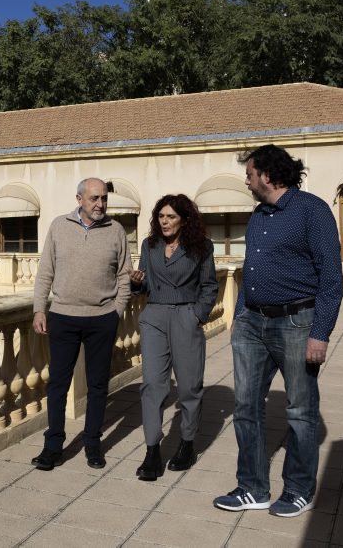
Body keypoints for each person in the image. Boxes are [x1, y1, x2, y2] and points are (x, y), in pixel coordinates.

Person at [213, 144, 343, 518]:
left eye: (250, 173)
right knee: (245, 407)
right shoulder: (258, 215)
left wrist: (321, 333)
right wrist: (240, 313)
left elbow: (332, 279)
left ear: (268, 175)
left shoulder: (312, 211)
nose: (247, 180)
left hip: (296, 323)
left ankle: (300, 488)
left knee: (301, 410)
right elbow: (251, 267)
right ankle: (252, 488)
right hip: (252, 323)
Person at [31, 177, 133, 471]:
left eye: (103, 198)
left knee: (98, 386)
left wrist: (117, 310)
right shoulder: (59, 226)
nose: (100, 204)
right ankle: (53, 446)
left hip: (102, 318)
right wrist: (40, 309)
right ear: (79, 200)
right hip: (63, 317)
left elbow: (124, 275)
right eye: (94, 199)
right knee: (58, 385)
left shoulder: (115, 231)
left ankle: (92, 443)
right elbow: (45, 272)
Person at [129, 194, 218, 480]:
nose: (164, 222)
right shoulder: (149, 245)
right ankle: (152, 451)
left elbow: (209, 286)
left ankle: (187, 444)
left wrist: (197, 316)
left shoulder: (202, 247)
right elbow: (142, 289)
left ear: (184, 220)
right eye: (161, 216)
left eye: (171, 217)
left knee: (189, 387)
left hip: (185, 317)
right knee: (152, 386)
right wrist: (136, 283)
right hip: (154, 316)